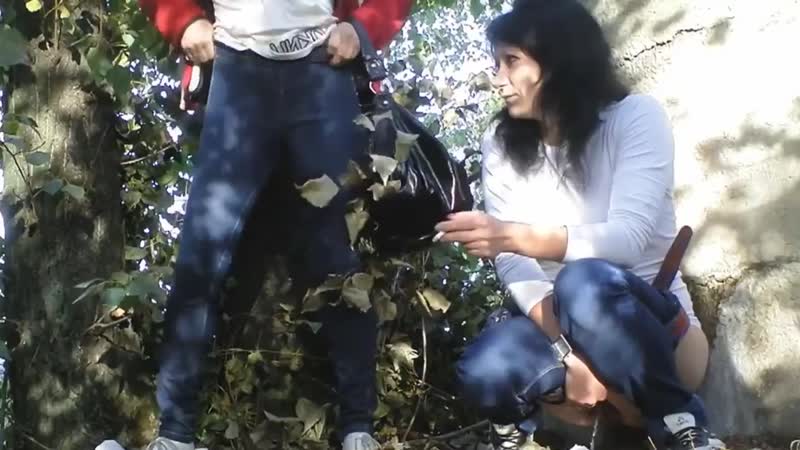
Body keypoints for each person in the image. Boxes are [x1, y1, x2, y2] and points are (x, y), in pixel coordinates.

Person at [434, 1, 727, 449]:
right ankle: (529, 433)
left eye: (511, 61)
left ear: (557, 60)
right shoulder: (499, 142)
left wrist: (508, 234)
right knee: (484, 366)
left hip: (656, 339)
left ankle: (683, 428)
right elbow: (514, 265)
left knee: (583, 282)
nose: (498, 79)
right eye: (496, 64)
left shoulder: (636, 117)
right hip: (562, 342)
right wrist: (569, 356)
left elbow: (627, 241)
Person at [136, 0, 413, 449]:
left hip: (322, 69)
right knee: (203, 252)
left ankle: (359, 430)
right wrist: (182, 20)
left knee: (337, 253)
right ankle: (174, 436)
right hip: (234, 69)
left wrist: (362, 30)